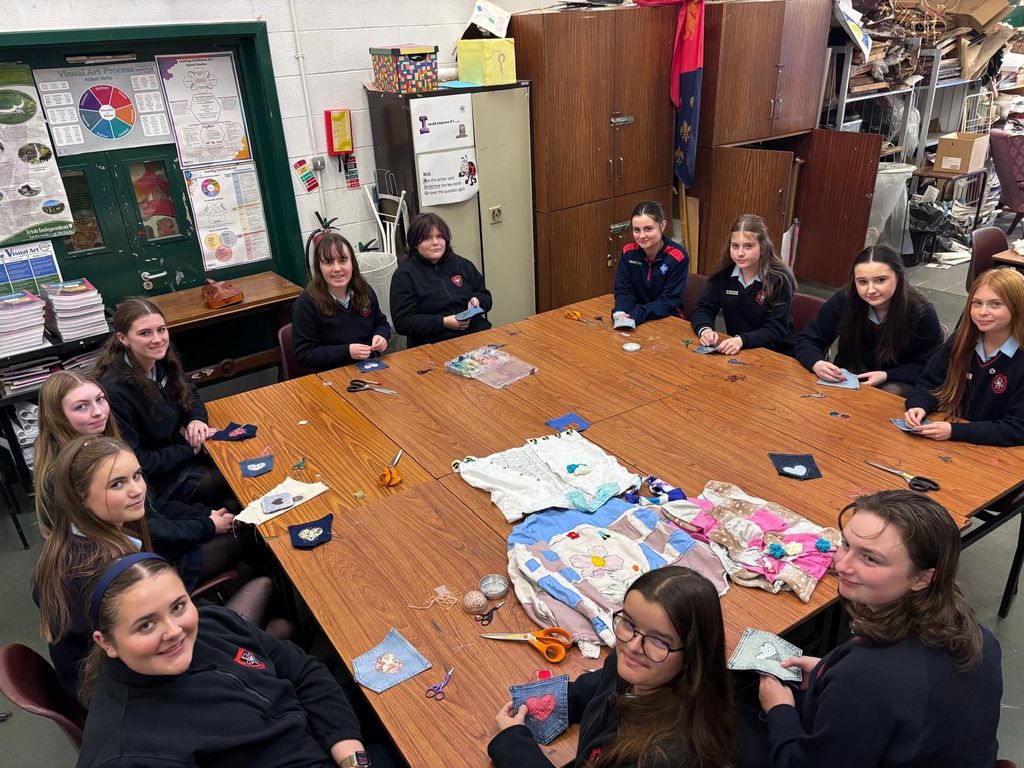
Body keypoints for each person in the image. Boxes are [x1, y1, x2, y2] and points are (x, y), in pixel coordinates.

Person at [752, 490, 1002, 768]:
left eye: (870, 559)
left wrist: (779, 710)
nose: (841, 565)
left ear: (922, 578)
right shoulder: (979, 635)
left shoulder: (863, 677)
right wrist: (827, 669)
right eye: (846, 544)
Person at [77, 554, 388, 768]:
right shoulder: (128, 754)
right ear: (107, 643)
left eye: (178, 607)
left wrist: (351, 755)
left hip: (327, 735)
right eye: (146, 625)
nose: (174, 632)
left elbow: (304, 671)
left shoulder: (213, 624)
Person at [32, 435, 239, 698]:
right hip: (127, 690)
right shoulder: (110, 570)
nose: (137, 490)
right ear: (79, 498)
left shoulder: (66, 541)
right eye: (117, 484)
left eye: (137, 476)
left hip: (102, 680)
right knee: (264, 609)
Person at [488, 567, 734, 768]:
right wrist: (558, 701)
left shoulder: (659, 758)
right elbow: (600, 685)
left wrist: (513, 745)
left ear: (692, 655)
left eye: (659, 641)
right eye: (629, 623)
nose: (633, 646)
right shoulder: (634, 665)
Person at [94, 297, 235, 510]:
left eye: (161, 330)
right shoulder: (115, 391)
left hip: (178, 456)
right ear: (123, 338)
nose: (157, 339)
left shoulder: (160, 360)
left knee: (236, 488)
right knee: (235, 478)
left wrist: (196, 419)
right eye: (145, 333)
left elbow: (189, 392)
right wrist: (189, 449)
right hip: (155, 480)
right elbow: (137, 461)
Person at [794, 245, 942, 395]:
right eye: (862, 282)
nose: (870, 290)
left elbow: (931, 367)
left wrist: (887, 375)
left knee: (889, 392)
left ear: (899, 277)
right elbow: (808, 340)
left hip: (896, 383)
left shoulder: (922, 312)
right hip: (846, 381)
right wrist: (817, 363)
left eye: (880, 280)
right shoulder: (844, 300)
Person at [905, 268, 1024, 445]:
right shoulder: (960, 341)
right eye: (977, 303)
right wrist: (918, 404)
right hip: (952, 438)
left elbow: (1018, 427)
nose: (982, 312)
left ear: (1018, 306)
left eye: (995, 304)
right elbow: (929, 383)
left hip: (997, 449)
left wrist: (954, 431)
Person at [690, 214, 795, 355]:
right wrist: (705, 330)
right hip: (741, 351)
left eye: (748, 246)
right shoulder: (724, 274)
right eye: (735, 246)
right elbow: (704, 308)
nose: (740, 253)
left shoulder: (780, 279)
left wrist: (741, 341)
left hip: (777, 354)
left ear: (763, 247)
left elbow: (775, 330)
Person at [292, 230, 391, 373]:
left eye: (343, 260)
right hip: (330, 375)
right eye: (328, 262)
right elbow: (304, 354)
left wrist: (381, 336)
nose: (337, 268)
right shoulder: (306, 303)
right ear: (319, 267)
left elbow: (381, 323)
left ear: (352, 263)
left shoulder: (365, 291)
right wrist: (347, 351)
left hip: (369, 368)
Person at [33, 371, 118, 536]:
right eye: (81, 406)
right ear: (57, 416)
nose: (98, 412)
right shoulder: (71, 468)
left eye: (100, 399)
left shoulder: (90, 442)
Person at [389, 212, 492, 347]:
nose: (435, 243)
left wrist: (477, 300)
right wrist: (443, 322)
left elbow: (486, 296)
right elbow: (403, 322)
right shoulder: (404, 275)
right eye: (427, 238)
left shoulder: (462, 264)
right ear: (414, 244)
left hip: (476, 334)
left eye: (439, 236)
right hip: (435, 343)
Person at [612, 200, 689, 327]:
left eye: (648, 229)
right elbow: (624, 291)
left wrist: (636, 314)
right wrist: (621, 311)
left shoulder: (678, 256)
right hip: (635, 316)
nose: (642, 236)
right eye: (636, 230)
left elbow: (669, 301)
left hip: (667, 318)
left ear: (662, 226)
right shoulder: (628, 251)